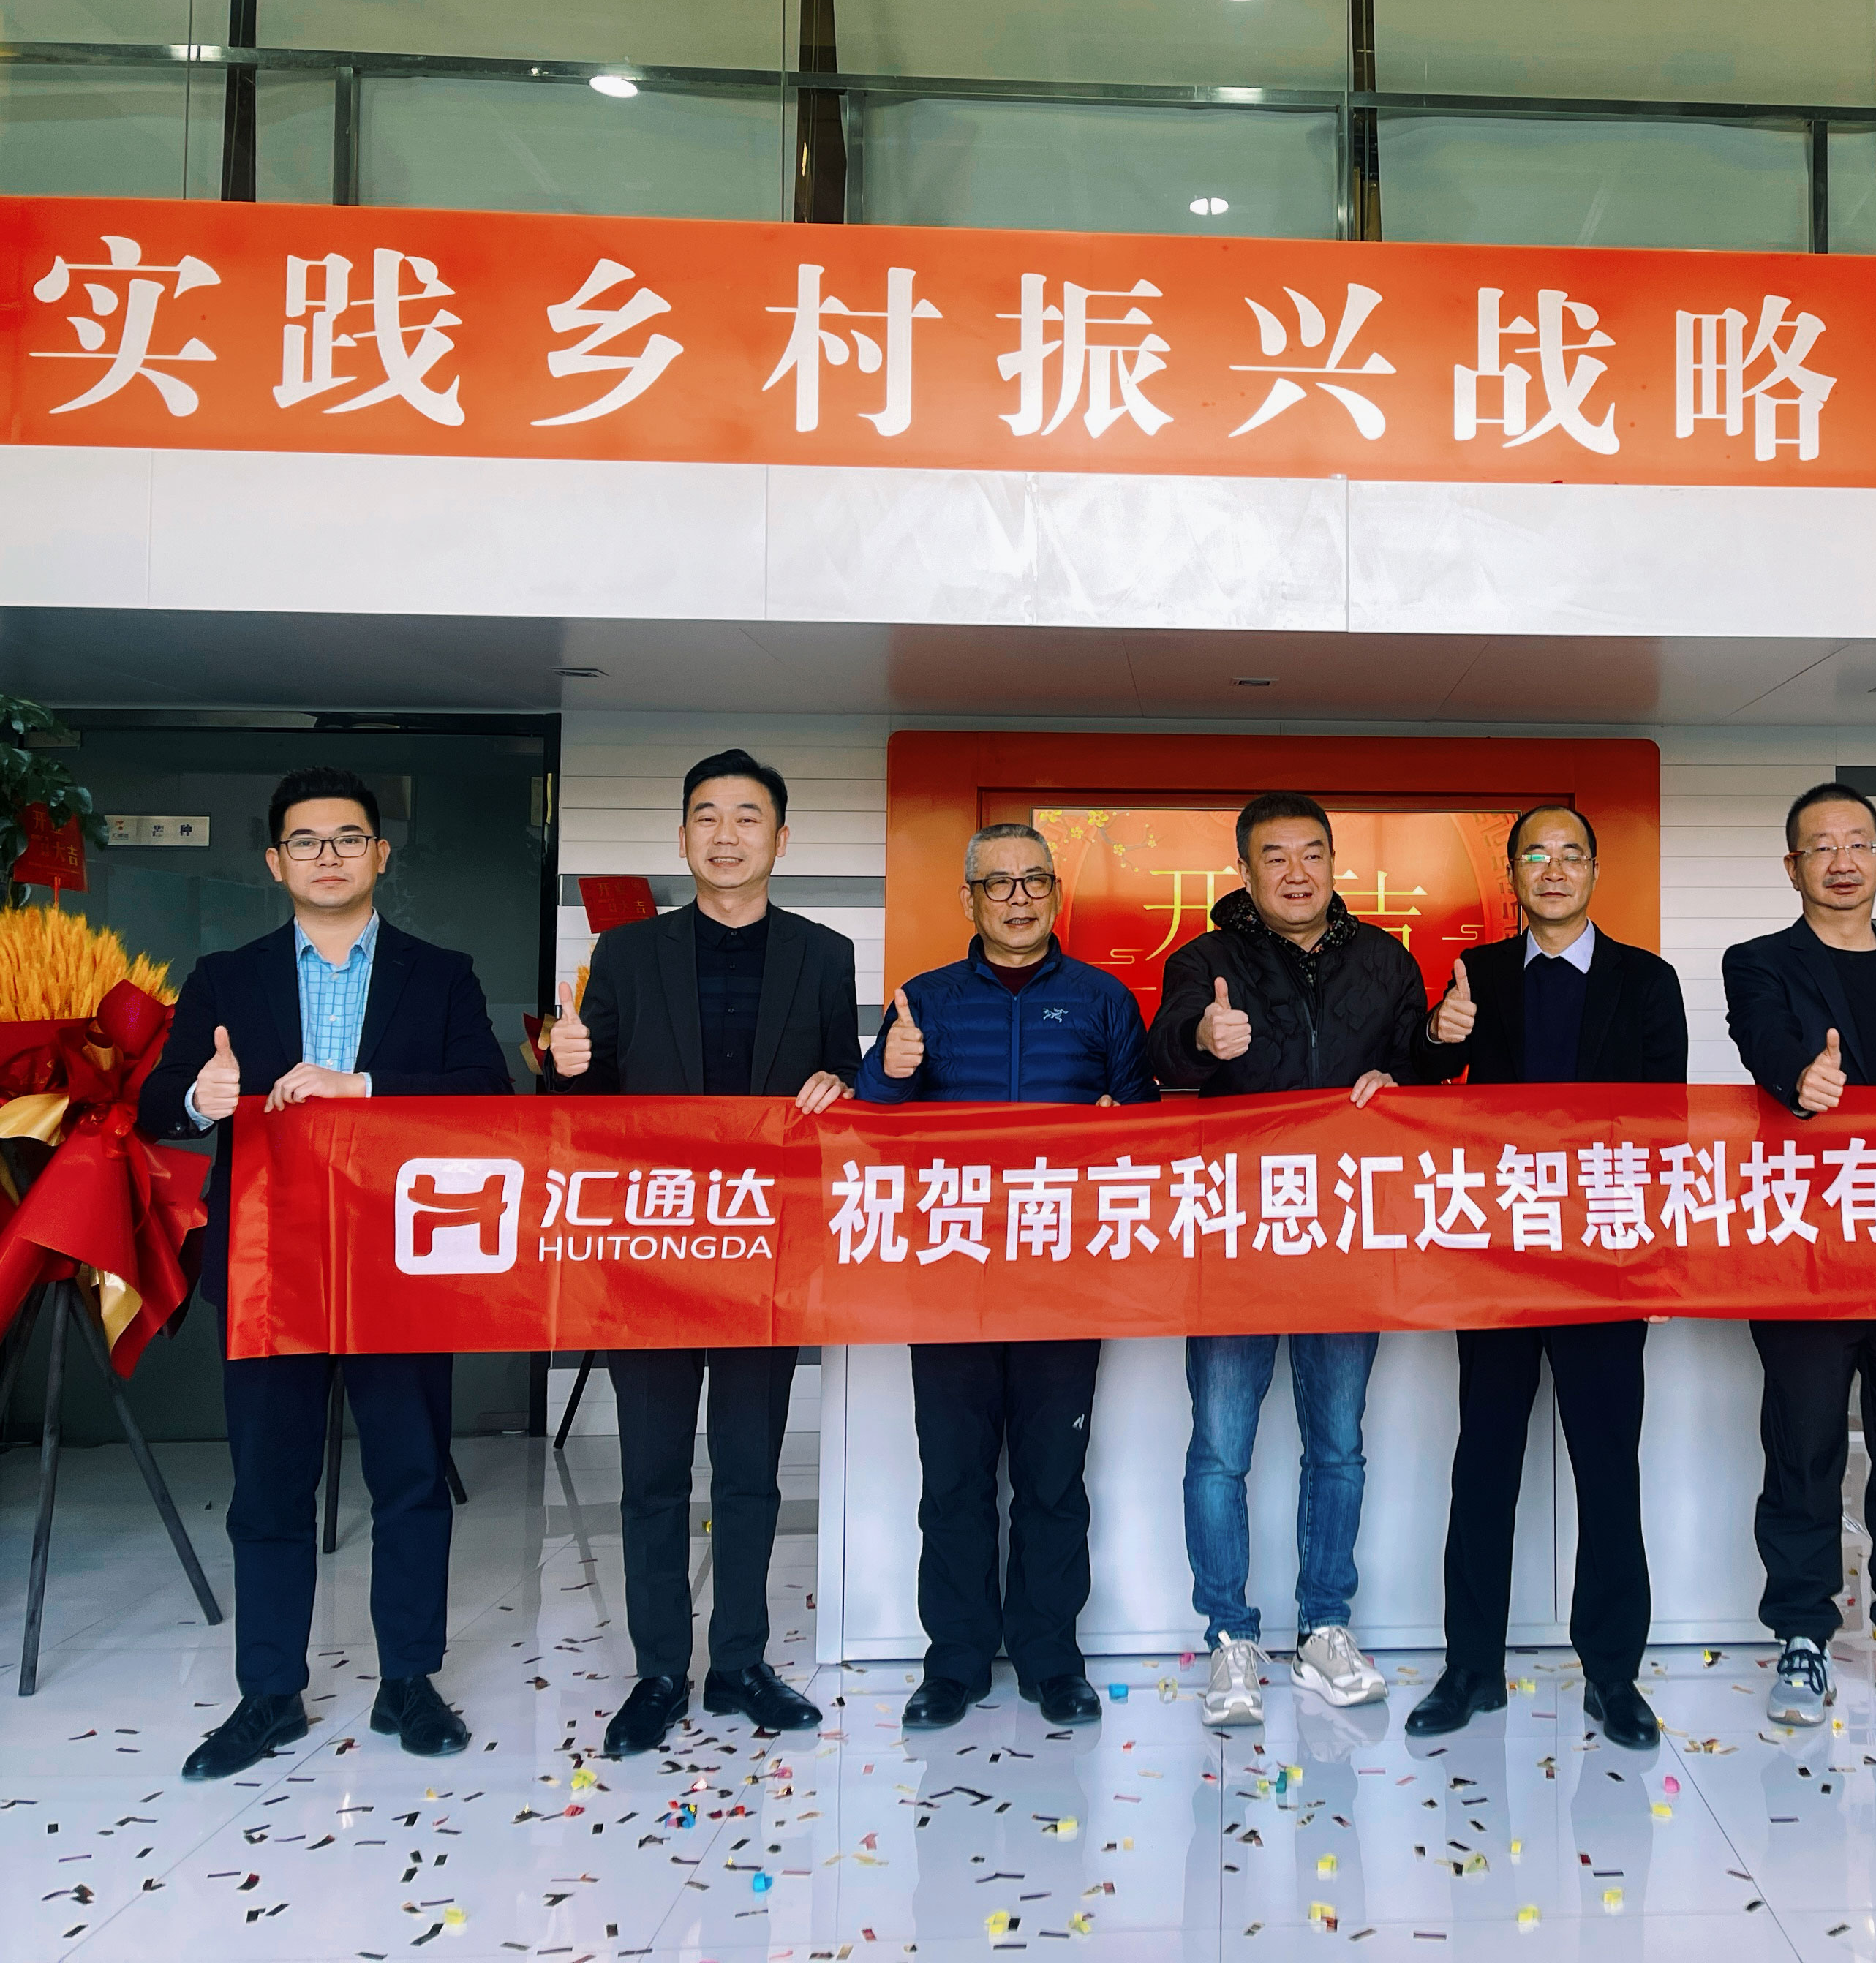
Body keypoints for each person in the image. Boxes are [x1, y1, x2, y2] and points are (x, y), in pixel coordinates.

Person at [138, 766, 513, 1781]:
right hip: (271, 1267)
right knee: (268, 1487)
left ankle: (409, 1683)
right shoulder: (225, 976)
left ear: (380, 854)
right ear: (276, 862)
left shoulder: (440, 974)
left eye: (348, 838)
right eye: (306, 841)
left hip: (400, 1261)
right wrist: (204, 1097)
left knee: (410, 1477)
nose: (329, 856)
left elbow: (488, 1094)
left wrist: (366, 1088)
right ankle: (270, 1694)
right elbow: (159, 1104)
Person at [540, 749, 861, 1758]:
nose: (727, 836)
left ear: (781, 838)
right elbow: (586, 1102)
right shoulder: (628, 954)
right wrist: (567, 1067)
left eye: (748, 817)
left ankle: (740, 1664)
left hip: (765, 1249)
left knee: (751, 1470)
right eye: (708, 817)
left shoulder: (824, 953)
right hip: (652, 1249)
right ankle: (658, 1672)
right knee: (651, 1472)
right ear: (682, 837)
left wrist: (842, 1085)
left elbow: (843, 1081)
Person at [1149, 791, 1448, 1727]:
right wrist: (1203, 1039)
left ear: (1333, 862)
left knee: (1339, 1445)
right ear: (1243, 871)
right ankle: (1230, 1638)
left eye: (1312, 853)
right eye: (1274, 857)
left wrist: (1422, 1059)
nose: (1296, 872)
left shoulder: (1386, 960)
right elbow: (1168, 1058)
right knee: (1219, 1448)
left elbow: (1419, 1078)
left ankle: (1325, 1626)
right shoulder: (1205, 960)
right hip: (1236, 1235)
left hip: (1345, 1236)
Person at [856, 821, 1158, 1732]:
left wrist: (1120, 1121)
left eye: (1034, 881)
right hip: (951, 1275)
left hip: (1065, 1276)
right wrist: (889, 1072)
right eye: (999, 883)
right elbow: (871, 1124)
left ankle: (1050, 1658)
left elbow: (1144, 1128)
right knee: (953, 1479)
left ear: (1056, 893)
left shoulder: (1105, 1000)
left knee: (1053, 1479)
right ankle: (952, 1664)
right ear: (970, 899)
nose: (1018, 898)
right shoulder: (924, 1000)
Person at [1404, 803, 1687, 1754]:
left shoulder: (1646, 981)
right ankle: (1470, 1668)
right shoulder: (1479, 974)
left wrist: (1643, 1244)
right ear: (1514, 876)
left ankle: (1613, 1674)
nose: (1555, 870)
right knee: (1484, 1464)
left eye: (1572, 855)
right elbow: (1423, 1074)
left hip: (1605, 1258)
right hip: (1499, 1253)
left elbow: (1668, 1126)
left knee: (1607, 1468)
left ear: (1595, 871)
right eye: (1537, 855)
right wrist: (1440, 1034)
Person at [1722, 780, 1876, 1730]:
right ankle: (1802, 1633)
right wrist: (1803, 1078)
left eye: (1858, 842)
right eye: (1821, 846)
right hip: (1803, 1245)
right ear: (1792, 866)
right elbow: (1765, 1044)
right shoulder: (1757, 961)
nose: (1841, 860)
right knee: (1804, 1449)